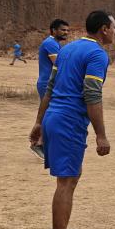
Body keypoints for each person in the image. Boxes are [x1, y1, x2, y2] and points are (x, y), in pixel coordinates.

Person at [29, 10, 115, 229]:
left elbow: (50, 88)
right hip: (69, 121)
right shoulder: (97, 54)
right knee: (66, 182)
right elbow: (92, 94)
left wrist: (39, 122)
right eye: (114, 27)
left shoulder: (66, 49)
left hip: (54, 117)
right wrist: (101, 135)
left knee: (70, 178)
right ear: (104, 29)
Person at [33, 19, 71, 159]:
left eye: (67, 30)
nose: (66, 32)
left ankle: (44, 144)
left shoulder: (55, 44)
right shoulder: (50, 43)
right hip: (47, 84)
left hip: (52, 84)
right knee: (50, 114)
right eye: (63, 30)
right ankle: (39, 144)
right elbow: (60, 64)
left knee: (51, 114)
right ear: (54, 30)